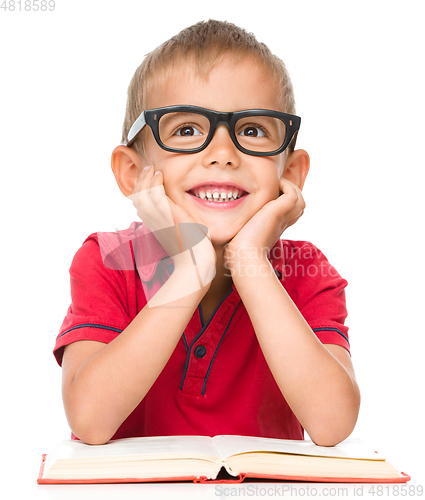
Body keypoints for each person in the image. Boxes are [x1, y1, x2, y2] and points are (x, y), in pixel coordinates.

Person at [55, 20, 360, 446]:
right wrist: (192, 269)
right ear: (131, 172)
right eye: (186, 130)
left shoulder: (306, 271)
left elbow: (332, 425)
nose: (222, 154)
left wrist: (251, 260)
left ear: (289, 173)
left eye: (252, 131)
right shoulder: (107, 259)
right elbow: (90, 419)